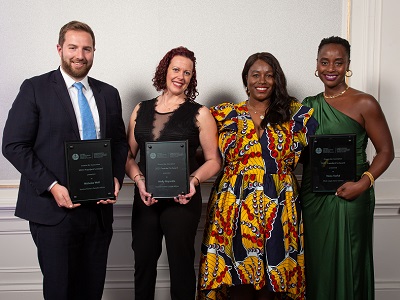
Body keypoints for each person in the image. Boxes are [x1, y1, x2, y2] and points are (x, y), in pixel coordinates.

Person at [2, 21, 128, 300]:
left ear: (94, 51)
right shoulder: (35, 88)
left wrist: (116, 177)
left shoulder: (108, 94)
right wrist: (52, 185)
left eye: (87, 48)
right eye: (72, 47)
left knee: (91, 291)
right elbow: (13, 145)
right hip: (53, 211)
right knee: (60, 292)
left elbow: (119, 143)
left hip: (97, 212)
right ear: (59, 49)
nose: (79, 55)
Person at [198, 52, 318, 300]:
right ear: (246, 79)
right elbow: (198, 149)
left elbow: (320, 157)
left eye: (269, 75)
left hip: (280, 206)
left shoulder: (296, 116)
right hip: (232, 207)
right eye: (255, 74)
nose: (262, 80)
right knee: (235, 282)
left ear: (277, 80)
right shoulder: (223, 116)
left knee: (274, 286)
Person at [300, 36, 394, 300]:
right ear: (316, 65)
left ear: (348, 65)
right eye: (325, 62)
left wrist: (363, 184)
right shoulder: (306, 106)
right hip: (313, 197)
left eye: (338, 62)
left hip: (352, 193)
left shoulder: (365, 103)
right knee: (317, 264)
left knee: (350, 263)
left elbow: (386, 151)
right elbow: (295, 152)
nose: (331, 68)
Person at [125, 46, 221, 300]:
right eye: (176, 69)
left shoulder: (200, 113)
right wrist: (139, 180)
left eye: (187, 72)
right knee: (143, 266)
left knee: (181, 267)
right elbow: (127, 156)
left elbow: (214, 161)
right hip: (145, 199)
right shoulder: (140, 109)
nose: (181, 76)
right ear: (164, 71)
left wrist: (193, 180)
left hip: (182, 200)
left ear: (192, 78)